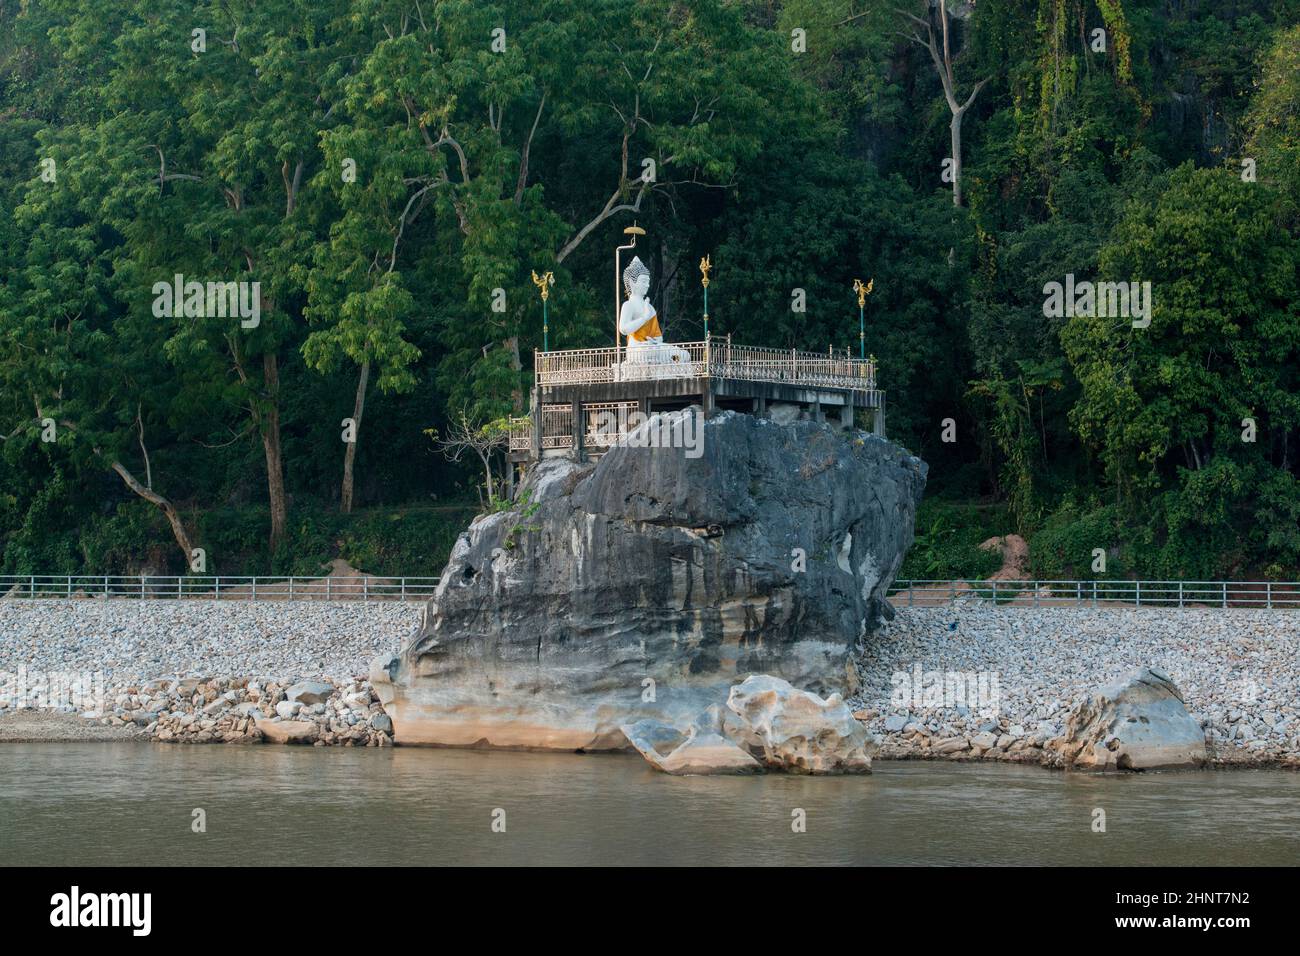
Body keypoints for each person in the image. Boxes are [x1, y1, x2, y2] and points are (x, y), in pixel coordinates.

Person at [618, 256, 690, 365]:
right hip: (637, 349)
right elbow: (623, 329)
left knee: (684, 355)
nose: (647, 285)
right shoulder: (628, 305)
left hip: (653, 347)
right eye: (643, 281)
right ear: (632, 282)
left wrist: (654, 341)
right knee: (647, 352)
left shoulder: (650, 308)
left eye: (648, 281)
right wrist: (644, 318)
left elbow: (658, 337)